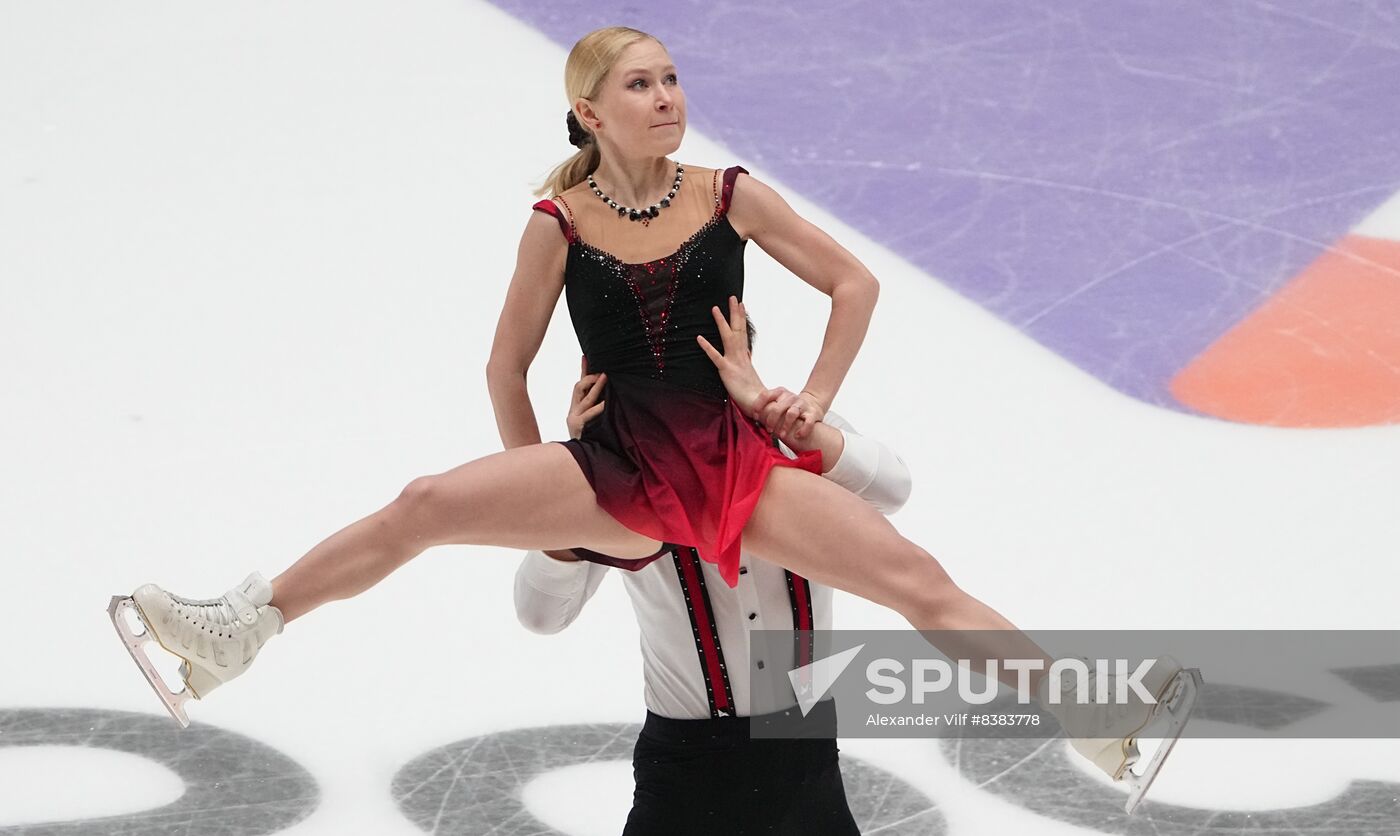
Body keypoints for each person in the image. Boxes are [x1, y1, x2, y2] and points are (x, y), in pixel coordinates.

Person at [109, 25, 1198, 815]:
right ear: (590, 110)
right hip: (613, 463)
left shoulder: (727, 193)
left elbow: (854, 285)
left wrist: (808, 398)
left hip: (731, 457)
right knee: (425, 504)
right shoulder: (558, 219)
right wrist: (541, 483)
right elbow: (505, 361)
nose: (666, 95)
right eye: (640, 84)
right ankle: (235, 632)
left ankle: (1096, 718)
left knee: (914, 577)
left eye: (672, 78)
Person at [515, 314, 909, 834]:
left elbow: (893, 490)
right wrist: (582, 474)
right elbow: (542, 615)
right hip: (686, 766)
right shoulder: (617, 469)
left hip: (804, 751)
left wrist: (798, 427)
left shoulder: (796, 429)